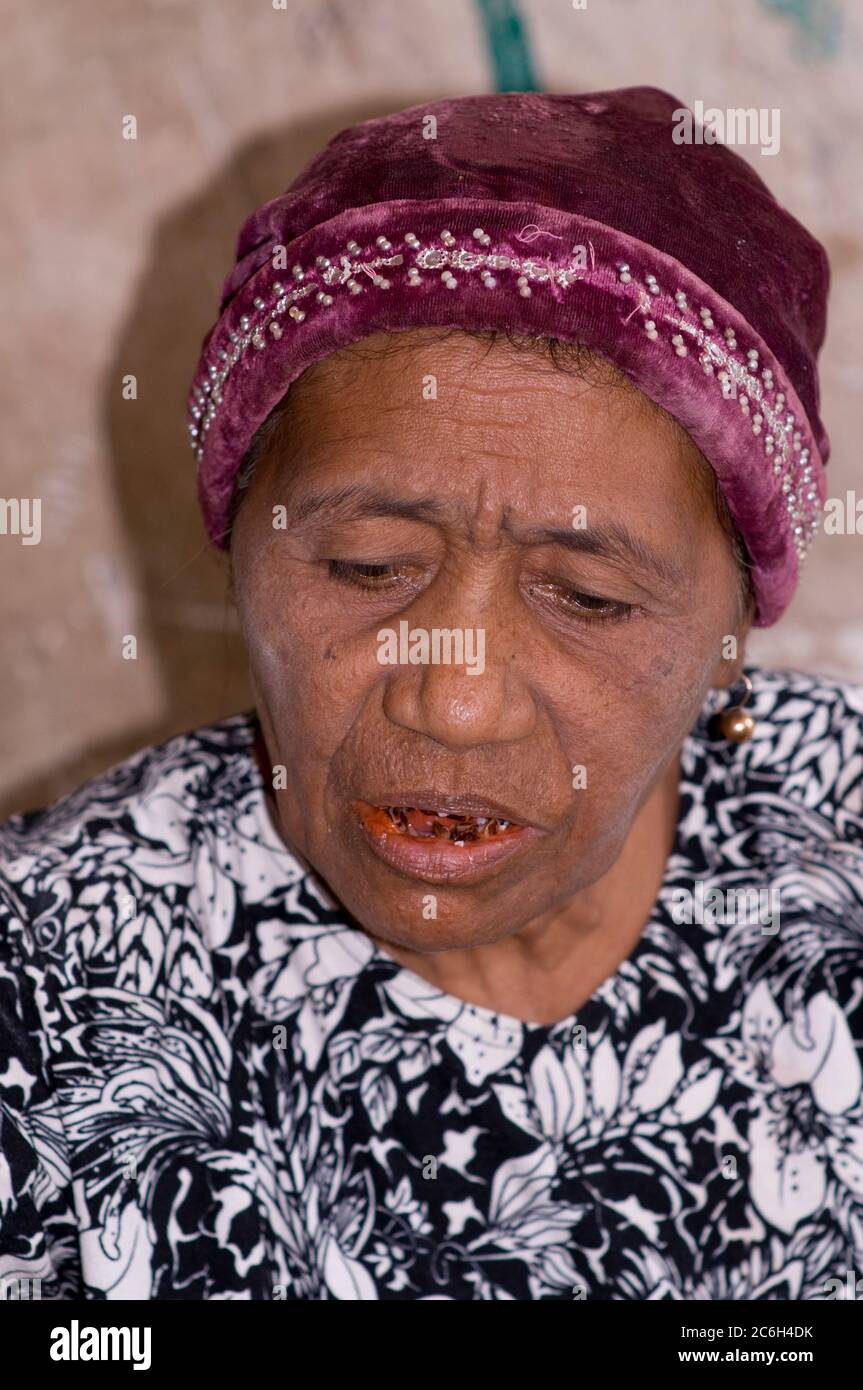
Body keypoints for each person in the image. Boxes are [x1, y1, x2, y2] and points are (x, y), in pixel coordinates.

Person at [2, 87, 861, 1302]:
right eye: (366, 568)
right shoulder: (39, 998)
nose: (453, 708)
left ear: (732, 629)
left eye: (588, 598)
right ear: (234, 545)